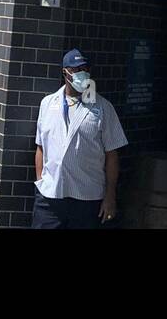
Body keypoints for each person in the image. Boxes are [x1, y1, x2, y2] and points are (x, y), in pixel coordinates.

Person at [33, 49, 128, 228]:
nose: (82, 74)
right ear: (65, 72)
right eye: (76, 70)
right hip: (51, 196)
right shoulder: (47, 104)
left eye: (85, 69)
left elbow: (112, 155)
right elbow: (40, 147)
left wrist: (110, 196)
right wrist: (41, 182)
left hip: (87, 197)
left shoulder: (103, 108)